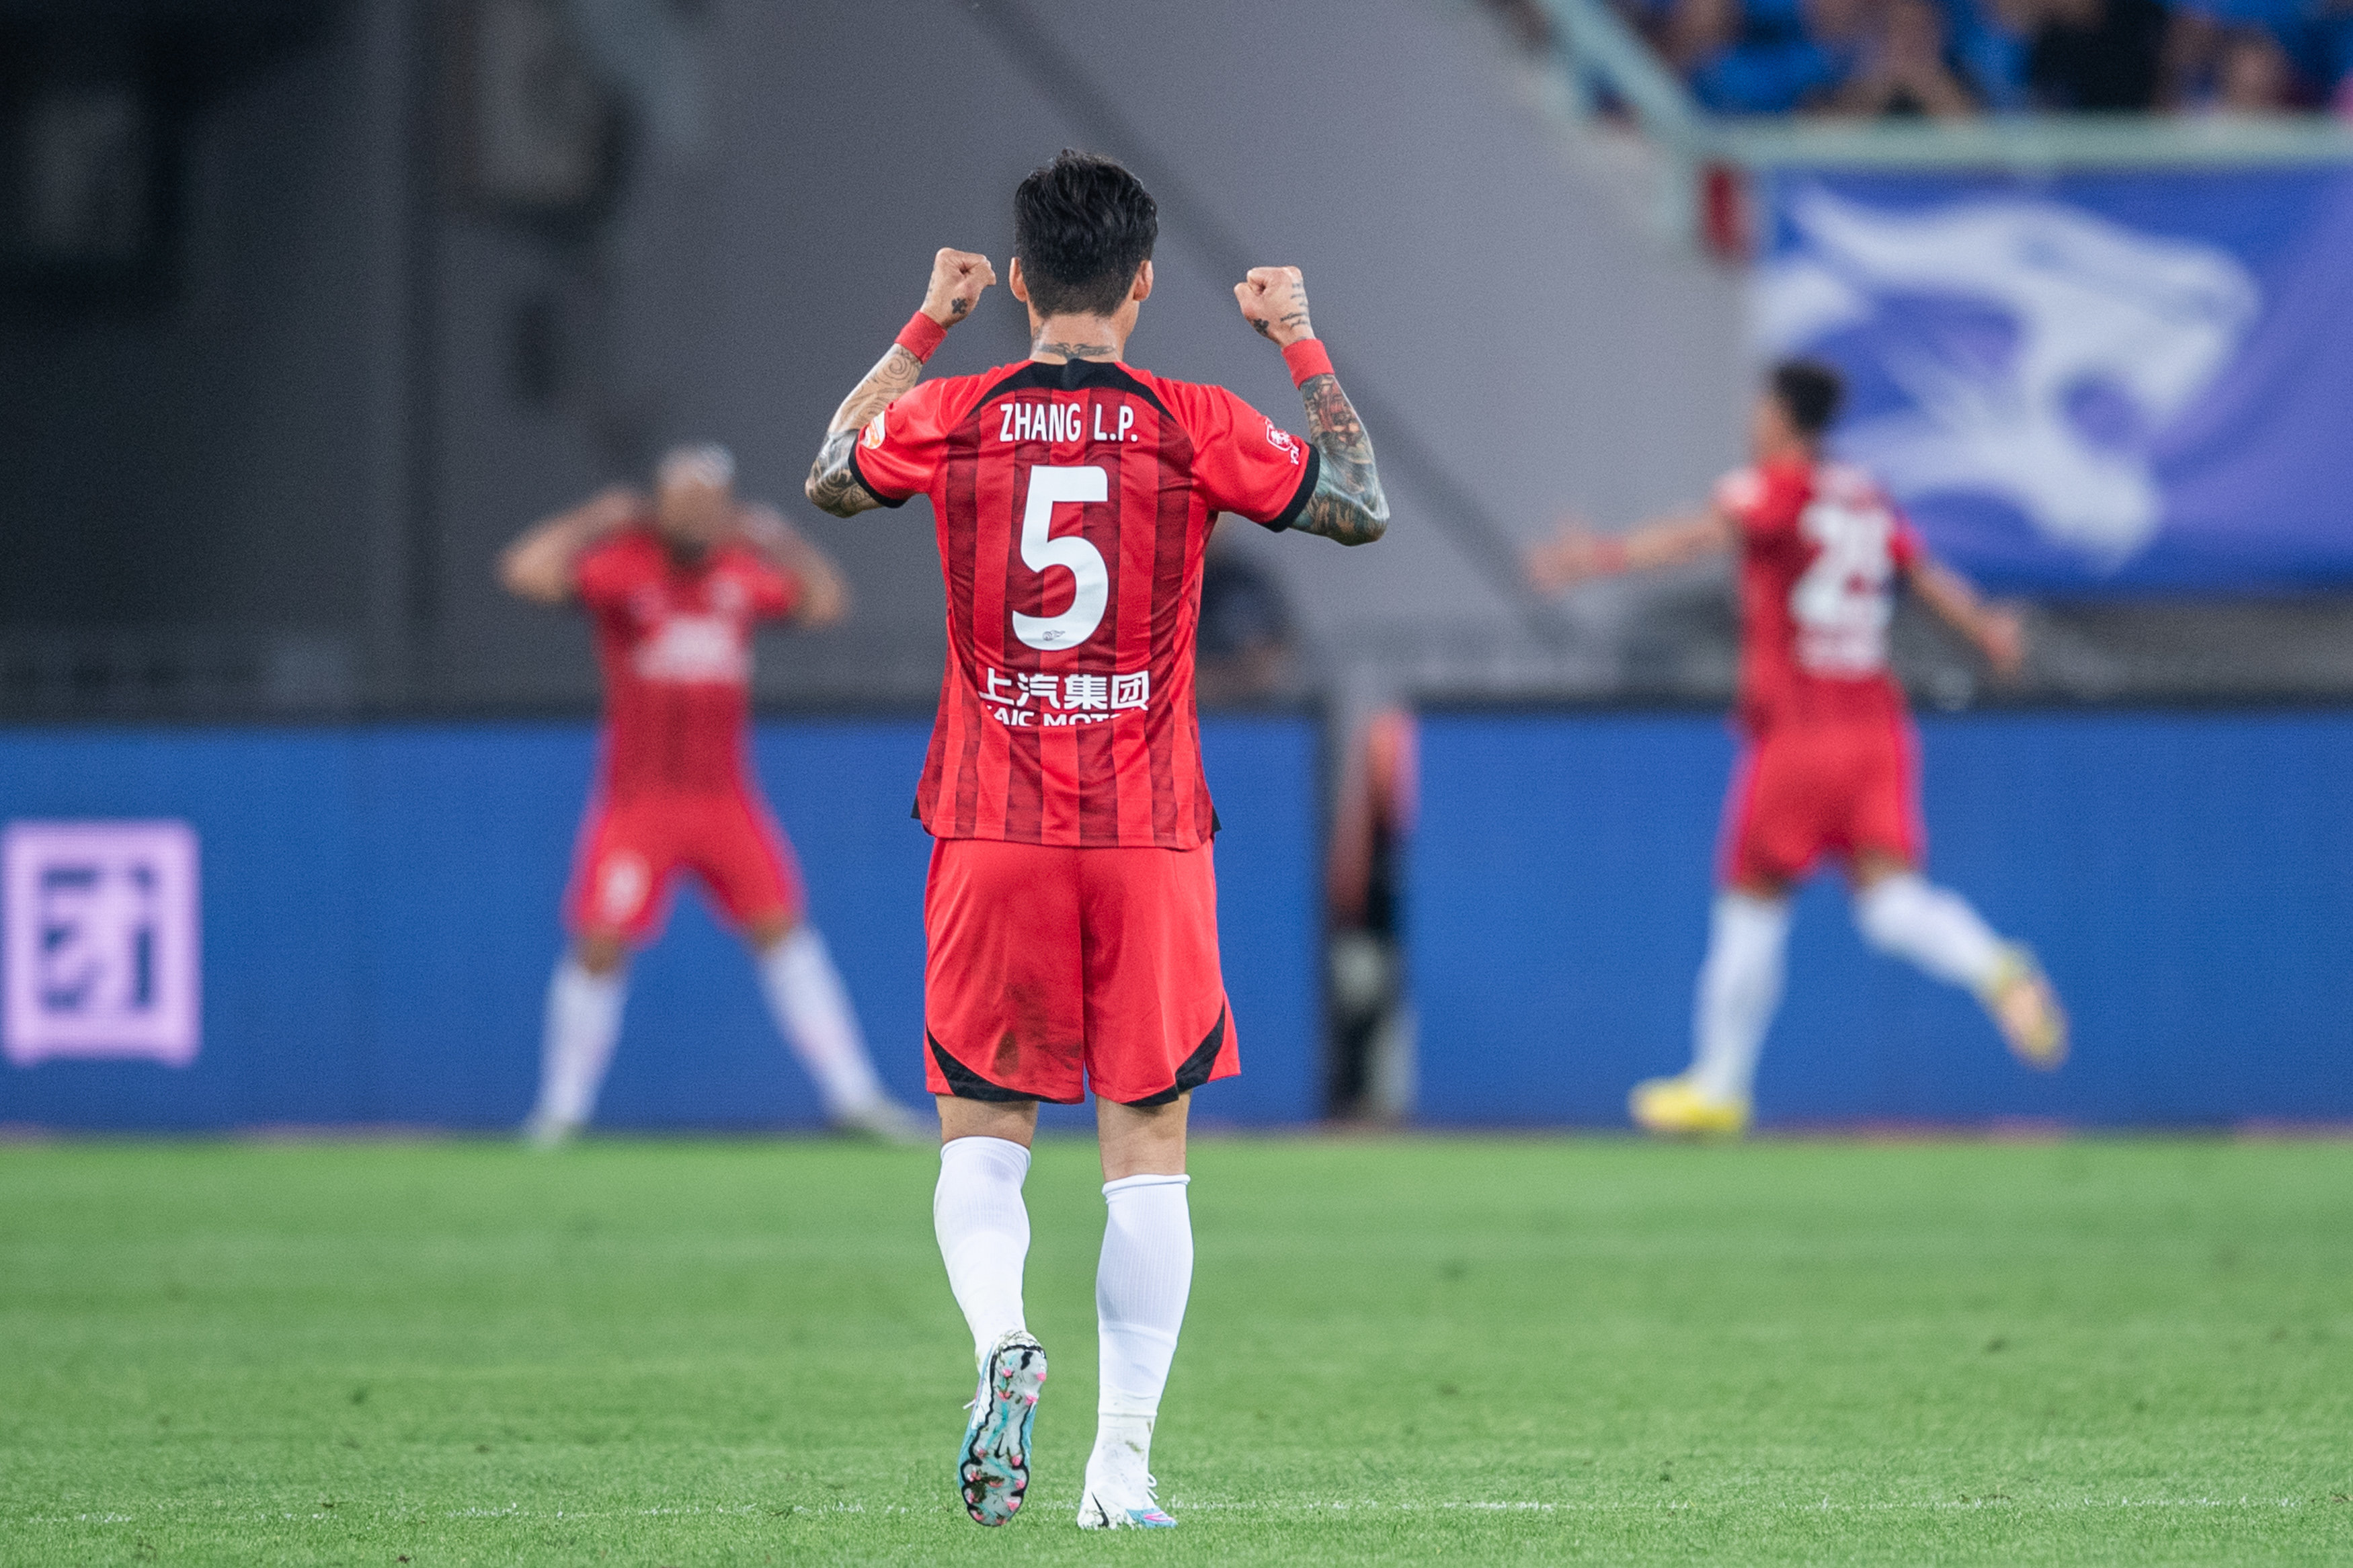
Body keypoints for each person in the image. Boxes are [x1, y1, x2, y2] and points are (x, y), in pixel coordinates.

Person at [803, 151, 1388, 1530]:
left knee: (982, 1129)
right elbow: (1358, 504)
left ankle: (1003, 1337)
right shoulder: (1192, 420)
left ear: (1018, 280)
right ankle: (1119, 1468)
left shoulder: (953, 411)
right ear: (1142, 284)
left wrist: (924, 325)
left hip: (990, 825)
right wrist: (1297, 334)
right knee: (1149, 1146)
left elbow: (831, 474)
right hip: (1145, 831)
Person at [1528, 360, 2066, 1138]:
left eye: (1759, 405)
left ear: (1782, 414)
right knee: (1890, 905)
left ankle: (1718, 1084)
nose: (1751, 417)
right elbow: (1921, 575)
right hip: (1875, 727)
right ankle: (1998, 967)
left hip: (1800, 732)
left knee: (1750, 901)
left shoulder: (1771, 488)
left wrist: (1602, 557)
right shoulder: (1862, 494)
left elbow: (1698, 534)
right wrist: (1985, 631)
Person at [498, 445, 923, 1146]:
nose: (696, 515)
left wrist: (780, 540)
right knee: (600, 941)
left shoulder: (737, 573)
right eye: (683, 500)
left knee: (784, 931)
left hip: (725, 800)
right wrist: (594, 518)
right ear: (658, 505)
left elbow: (825, 604)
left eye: (709, 502)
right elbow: (524, 572)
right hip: (640, 802)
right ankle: (560, 1112)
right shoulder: (626, 567)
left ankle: (855, 1097)